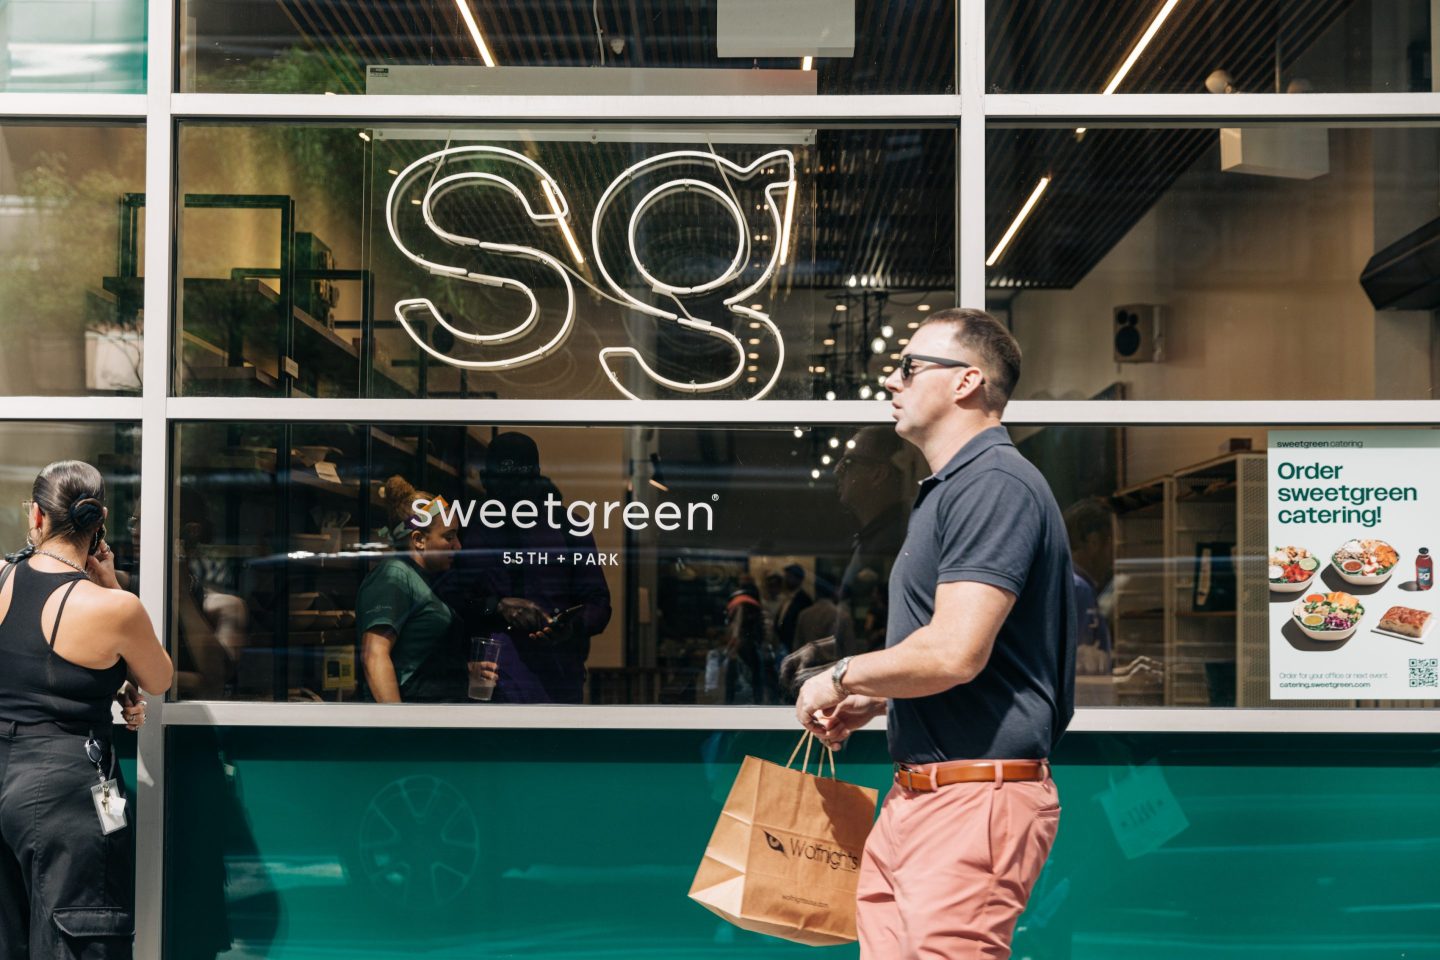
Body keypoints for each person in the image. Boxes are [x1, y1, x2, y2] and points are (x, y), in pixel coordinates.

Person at [795, 308, 1077, 959]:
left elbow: (954, 652)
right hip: (925, 795)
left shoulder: (994, 485)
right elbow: (980, 661)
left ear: (967, 382)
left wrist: (839, 676)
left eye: (909, 367)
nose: (891, 383)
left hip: (971, 798)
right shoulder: (956, 488)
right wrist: (881, 699)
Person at [0, 460, 173, 958]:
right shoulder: (112, 607)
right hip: (67, 785)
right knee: (77, 934)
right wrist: (111, 584)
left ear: (35, 516)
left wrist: (103, 682)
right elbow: (159, 679)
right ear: (100, 524)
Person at [442, 432, 612, 704]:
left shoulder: (569, 528)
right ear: (486, 482)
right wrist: (496, 606)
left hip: (557, 684)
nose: (511, 492)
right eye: (502, 483)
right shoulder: (469, 529)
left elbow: (599, 603)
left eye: (519, 482)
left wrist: (569, 626)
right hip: (489, 688)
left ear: (536, 478)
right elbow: (447, 599)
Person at [358, 476, 494, 703]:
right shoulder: (394, 575)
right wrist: (398, 726)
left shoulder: (423, 579)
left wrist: (463, 672)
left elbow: (414, 657)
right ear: (419, 539)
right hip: (411, 720)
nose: (458, 546)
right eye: (448, 537)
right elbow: (375, 655)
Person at [1063, 497, 1115, 679]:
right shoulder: (1079, 588)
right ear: (1093, 542)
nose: (1113, 554)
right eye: (1110, 542)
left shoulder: (1066, 581)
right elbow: (1082, 665)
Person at [773, 562, 811, 652]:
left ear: (799, 579)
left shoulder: (803, 599)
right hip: (783, 645)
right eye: (786, 576)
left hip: (793, 646)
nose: (785, 580)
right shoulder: (787, 597)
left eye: (789, 577)